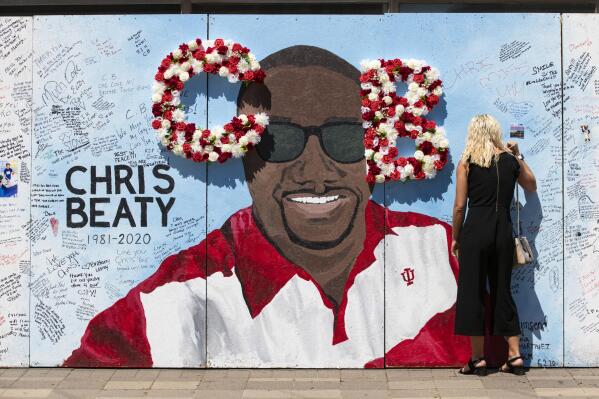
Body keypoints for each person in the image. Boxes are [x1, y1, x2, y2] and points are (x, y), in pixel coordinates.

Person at [64, 45, 469, 368]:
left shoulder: (440, 253)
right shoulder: (176, 303)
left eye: (346, 139)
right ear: (243, 154)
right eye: (280, 140)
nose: (315, 173)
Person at [451, 114, 536, 375]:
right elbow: (531, 185)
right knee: (502, 290)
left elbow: (459, 206)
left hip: (475, 229)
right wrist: (519, 155)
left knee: (472, 292)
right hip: (503, 231)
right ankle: (514, 356)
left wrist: (456, 237)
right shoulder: (509, 160)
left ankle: (477, 358)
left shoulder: (467, 162)